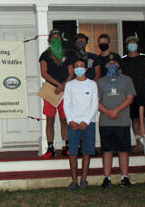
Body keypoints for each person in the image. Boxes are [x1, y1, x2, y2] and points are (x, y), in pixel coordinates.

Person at [97, 54, 136, 188]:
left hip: (122, 121)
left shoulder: (127, 80)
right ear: (105, 65)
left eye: (114, 62)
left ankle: (124, 177)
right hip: (106, 122)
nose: (112, 65)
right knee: (107, 150)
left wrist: (116, 110)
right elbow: (96, 102)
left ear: (119, 64)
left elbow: (130, 98)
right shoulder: (101, 82)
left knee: (123, 150)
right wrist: (108, 112)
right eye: (109, 63)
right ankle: (107, 177)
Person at [63, 58, 98, 190]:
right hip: (73, 123)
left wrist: (86, 121)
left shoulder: (92, 84)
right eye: (76, 66)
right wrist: (70, 120)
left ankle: (84, 179)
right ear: (73, 69)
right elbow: (66, 104)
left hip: (88, 123)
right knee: (72, 152)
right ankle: (74, 180)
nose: (79, 68)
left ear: (86, 69)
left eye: (81, 66)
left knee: (87, 151)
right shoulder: (69, 85)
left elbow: (94, 104)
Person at [39, 29, 74, 158]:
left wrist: (64, 85)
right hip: (51, 90)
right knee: (50, 120)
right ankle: (50, 148)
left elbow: (72, 72)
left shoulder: (68, 55)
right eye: (53, 37)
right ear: (49, 40)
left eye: (58, 37)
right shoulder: (45, 55)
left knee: (64, 119)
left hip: (65, 91)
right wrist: (58, 85)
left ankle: (67, 146)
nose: (56, 39)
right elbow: (44, 73)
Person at [120, 36, 145, 153]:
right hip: (129, 94)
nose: (132, 44)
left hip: (143, 92)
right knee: (134, 118)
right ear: (126, 45)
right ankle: (138, 142)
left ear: (138, 45)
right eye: (129, 43)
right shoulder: (123, 61)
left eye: (134, 43)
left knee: (143, 118)